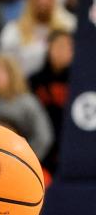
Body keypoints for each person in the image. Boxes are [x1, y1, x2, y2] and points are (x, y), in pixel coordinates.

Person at [0, 0, 76, 77]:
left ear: (55, 0)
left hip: (61, 83)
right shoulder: (12, 31)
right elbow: (5, 65)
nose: (43, 2)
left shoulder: (68, 26)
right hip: (24, 85)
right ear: (29, 1)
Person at [30, 30, 73, 173]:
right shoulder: (34, 81)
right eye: (59, 46)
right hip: (42, 150)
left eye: (68, 47)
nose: (63, 51)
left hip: (69, 145)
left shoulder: (80, 83)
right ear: (49, 47)